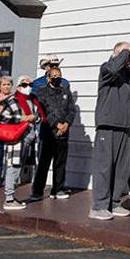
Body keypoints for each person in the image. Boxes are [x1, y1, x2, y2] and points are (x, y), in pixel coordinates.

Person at [90, 43, 130, 220]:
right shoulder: (106, 68)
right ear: (117, 54)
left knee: (122, 168)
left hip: (124, 126)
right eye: (126, 54)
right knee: (104, 167)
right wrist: (125, 51)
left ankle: (115, 202)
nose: (128, 58)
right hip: (107, 125)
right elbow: (113, 69)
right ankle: (99, 206)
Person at [0, 74, 43, 210]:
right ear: (18, 86)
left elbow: (38, 116)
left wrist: (35, 118)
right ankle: (9, 199)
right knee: (13, 167)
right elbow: (3, 118)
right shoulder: (13, 100)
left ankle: (12, 196)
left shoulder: (33, 100)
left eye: (30, 85)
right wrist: (23, 118)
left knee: (19, 168)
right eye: (24, 85)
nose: (27, 87)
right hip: (16, 139)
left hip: (29, 139)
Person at [31, 64, 75, 201]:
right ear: (48, 79)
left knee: (60, 163)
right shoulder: (42, 92)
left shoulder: (66, 92)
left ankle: (58, 189)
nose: (57, 78)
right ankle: (37, 191)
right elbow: (43, 111)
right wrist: (57, 124)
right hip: (48, 133)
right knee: (44, 163)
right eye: (54, 76)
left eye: (59, 76)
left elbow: (72, 110)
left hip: (63, 134)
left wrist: (66, 124)